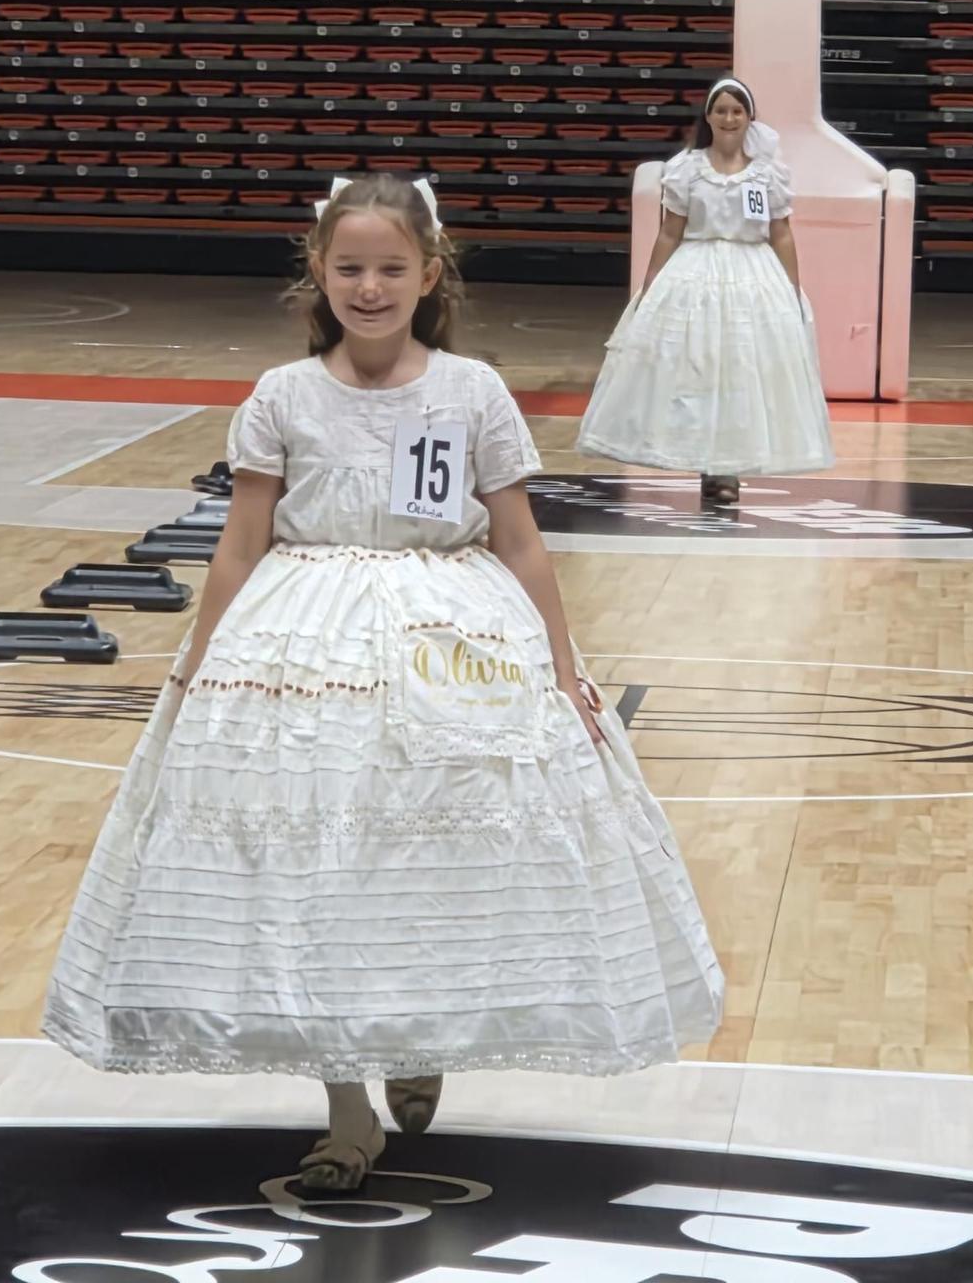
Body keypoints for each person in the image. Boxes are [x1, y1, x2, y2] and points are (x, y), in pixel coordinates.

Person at [43, 172, 723, 1192]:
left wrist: (561, 663)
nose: (370, 287)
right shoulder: (283, 395)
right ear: (318, 271)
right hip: (305, 648)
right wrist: (196, 664)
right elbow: (241, 544)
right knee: (313, 864)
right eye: (351, 267)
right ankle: (346, 1112)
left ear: (429, 274)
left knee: (433, 850)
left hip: (452, 638)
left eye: (391, 268)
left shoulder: (472, 390)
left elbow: (520, 540)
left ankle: (416, 1031)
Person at [578, 76, 833, 506]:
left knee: (741, 371)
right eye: (721, 110)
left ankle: (727, 469)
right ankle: (704, 461)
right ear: (708, 117)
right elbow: (670, 231)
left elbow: (781, 233)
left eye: (737, 110)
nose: (729, 118)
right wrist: (650, 284)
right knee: (696, 370)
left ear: (749, 117)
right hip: (695, 275)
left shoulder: (767, 173)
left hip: (752, 278)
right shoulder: (687, 168)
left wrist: (792, 288)